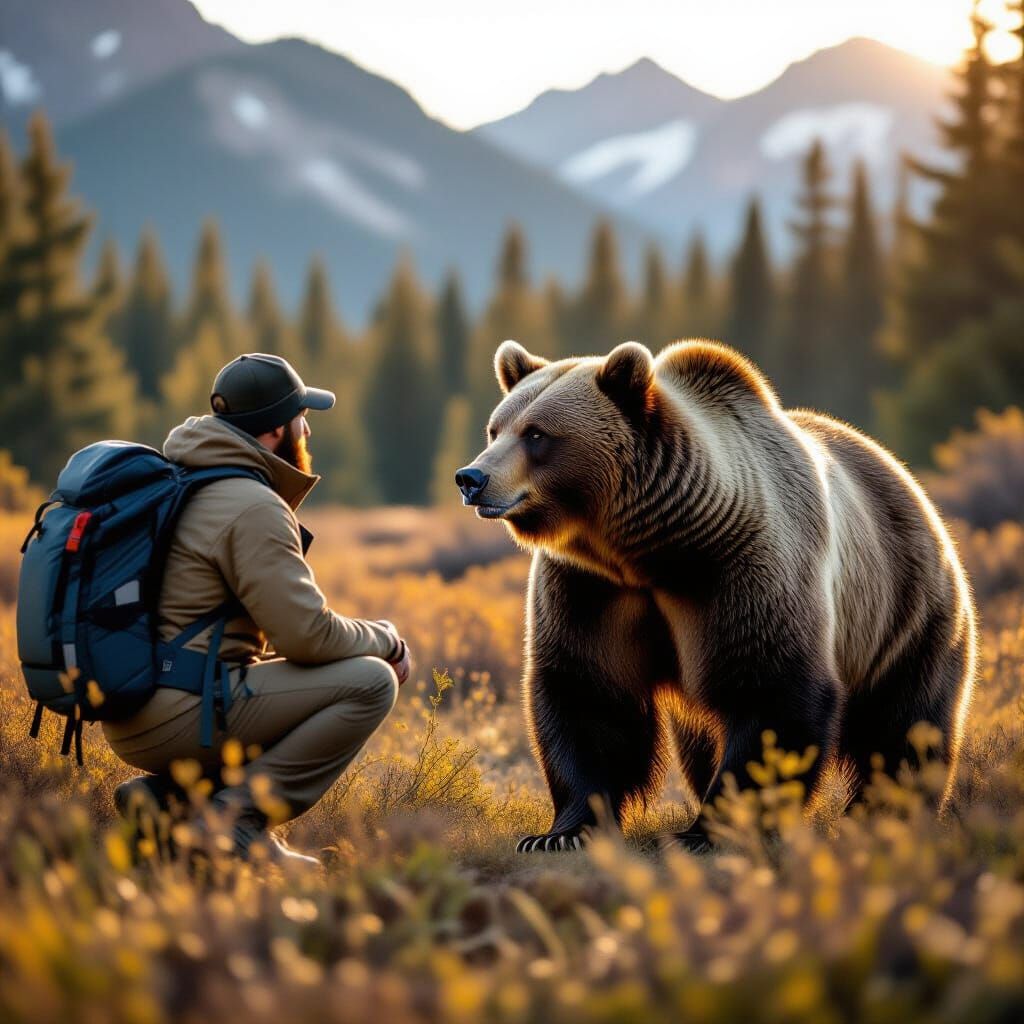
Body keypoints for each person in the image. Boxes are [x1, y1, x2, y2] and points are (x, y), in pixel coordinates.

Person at [105, 353, 410, 867]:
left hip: (138, 704)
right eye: (301, 418)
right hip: (182, 710)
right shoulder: (252, 505)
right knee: (370, 681)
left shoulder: (187, 479)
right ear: (275, 430)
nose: (307, 430)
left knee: (295, 678)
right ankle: (232, 824)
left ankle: (165, 803)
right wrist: (388, 640)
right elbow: (307, 636)